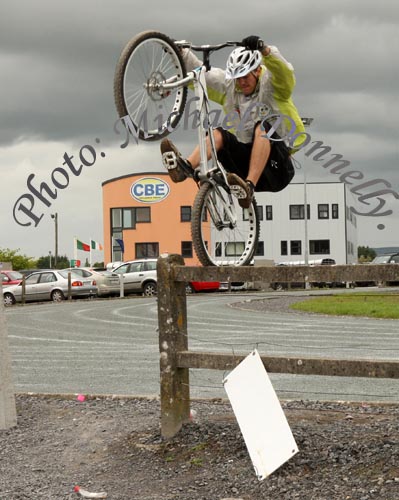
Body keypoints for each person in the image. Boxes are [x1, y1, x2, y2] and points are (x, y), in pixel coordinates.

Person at [160, 35, 305, 208]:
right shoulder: (230, 87)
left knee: (264, 126)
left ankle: (249, 188)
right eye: (237, 77)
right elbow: (201, 73)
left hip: (277, 168)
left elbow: (285, 73)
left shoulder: (274, 86)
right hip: (245, 164)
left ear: (257, 71)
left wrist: (265, 50)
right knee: (218, 133)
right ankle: (184, 169)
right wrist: (180, 53)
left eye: (245, 77)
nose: (241, 82)